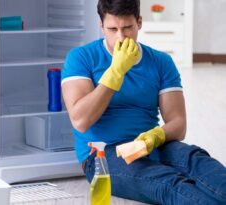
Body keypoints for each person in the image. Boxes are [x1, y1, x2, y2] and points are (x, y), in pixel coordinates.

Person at [61, 0, 226, 204]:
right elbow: (81, 120)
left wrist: (155, 137)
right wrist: (115, 72)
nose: (120, 37)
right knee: (170, 184)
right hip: (103, 155)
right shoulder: (82, 58)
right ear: (101, 26)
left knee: (198, 161)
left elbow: (178, 123)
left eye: (127, 28)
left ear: (139, 22)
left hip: (150, 144)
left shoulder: (160, 61)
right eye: (112, 29)